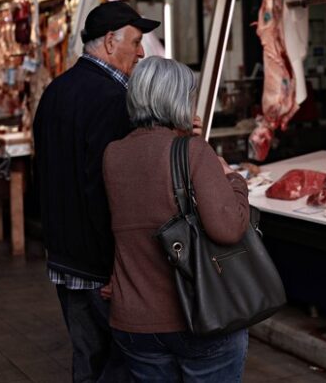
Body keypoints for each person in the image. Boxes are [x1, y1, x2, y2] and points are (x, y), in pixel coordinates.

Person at [33, 1, 160, 382]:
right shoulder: (114, 100)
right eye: (136, 42)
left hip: (64, 257)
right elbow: (107, 190)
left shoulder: (54, 92)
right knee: (123, 362)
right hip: (100, 266)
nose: (141, 52)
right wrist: (116, 266)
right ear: (109, 41)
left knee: (87, 358)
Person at [102, 56, 250, 382]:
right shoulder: (194, 151)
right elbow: (228, 228)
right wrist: (235, 181)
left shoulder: (112, 154)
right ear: (178, 99)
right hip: (196, 317)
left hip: (134, 323)